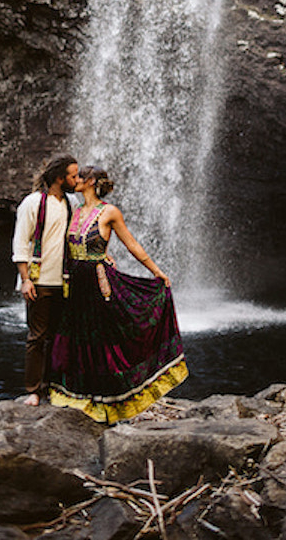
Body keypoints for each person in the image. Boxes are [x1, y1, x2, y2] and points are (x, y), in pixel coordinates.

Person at [46, 166, 187, 422]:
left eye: (79, 177)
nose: (74, 181)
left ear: (90, 182)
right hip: (76, 282)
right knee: (79, 335)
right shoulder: (76, 211)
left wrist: (158, 272)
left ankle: (109, 401)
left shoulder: (109, 212)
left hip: (98, 282)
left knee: (102, 337)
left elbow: (131, 244)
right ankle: (80, 394)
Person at [11, 154, 80, 406]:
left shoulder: (72, 203)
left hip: (64, 281)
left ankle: (54, 386)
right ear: (60, 177)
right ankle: (33, 390)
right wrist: (25, 279)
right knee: (37, 337)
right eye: (73, 175)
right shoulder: (33, 203)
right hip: (38, 282)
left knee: (59, 337)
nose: (77, 179)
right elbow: (20, 242)